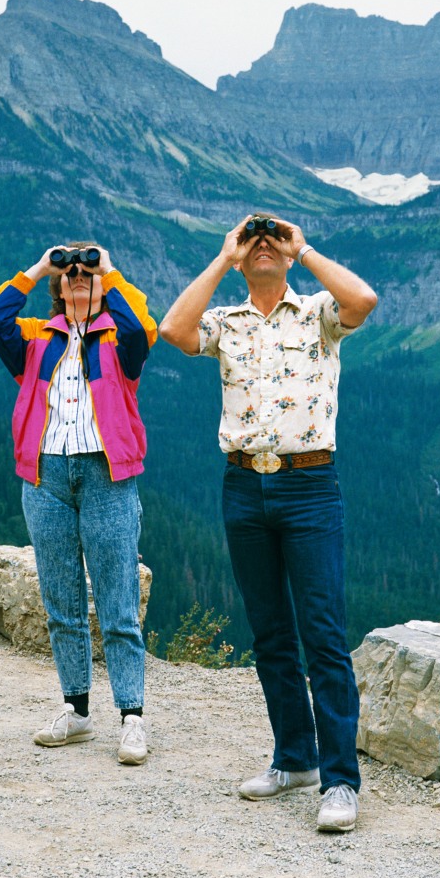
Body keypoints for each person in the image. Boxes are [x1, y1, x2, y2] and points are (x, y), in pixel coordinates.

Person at [159, 213, 378, 833]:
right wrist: (224, 256)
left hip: (309, 483)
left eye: (270, 242)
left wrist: (303, 246)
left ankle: (340, 782)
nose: (262, 247)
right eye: (254, 242)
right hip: (243, 483)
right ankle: (295, 760)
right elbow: (173, 328)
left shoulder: (317, 314)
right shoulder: (225, 322)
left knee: (324, 635)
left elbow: (364, 299)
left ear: (285, 254)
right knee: (271, 633)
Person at [0, 241, 158, 765]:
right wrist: (38, 267)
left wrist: (109, 271)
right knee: (62, 602)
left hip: (107, 473)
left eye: (86, 272)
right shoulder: (37, 339)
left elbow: (143, 326)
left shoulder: (121, 340)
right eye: (70, 272)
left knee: (118, 602)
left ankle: (132, 718)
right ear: (56, 287)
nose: (78, 275)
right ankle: (76, 711)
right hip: (46, 475)